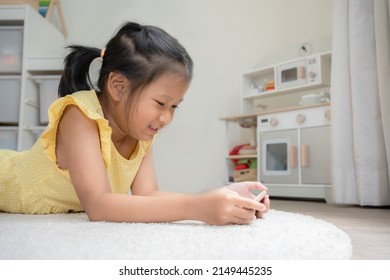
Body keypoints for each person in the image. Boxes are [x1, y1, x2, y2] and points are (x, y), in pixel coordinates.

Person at [0, 22, 270, 225]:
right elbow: (98, 205)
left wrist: (221, 196)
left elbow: (149, 194)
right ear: (118, 86)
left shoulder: (141, 133)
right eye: (161, 103)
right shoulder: (80, 114)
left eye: (175, 106)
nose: (166, 118)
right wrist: (198, 208)